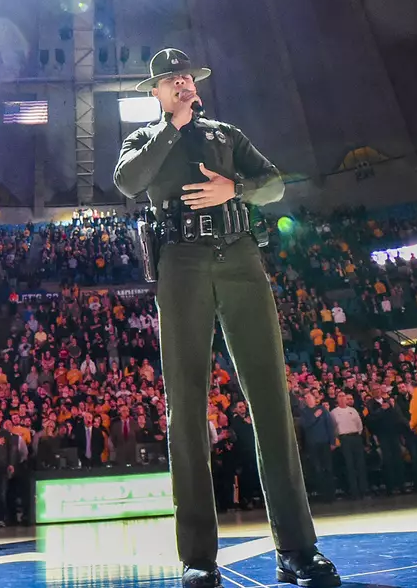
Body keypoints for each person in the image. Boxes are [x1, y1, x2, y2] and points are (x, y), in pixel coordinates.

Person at [115, 49, 337, 588]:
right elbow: (128, 182)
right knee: (185, 407)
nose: (184, 84)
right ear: (157, 92)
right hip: (181, 263)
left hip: (240, 257)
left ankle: (297, 550)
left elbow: (276, 183)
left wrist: (234, 188)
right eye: (173, 81)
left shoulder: (226, 134)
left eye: (188, 77)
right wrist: (173, 129)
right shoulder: (142, 140)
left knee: (270, 399)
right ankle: (197, 557)